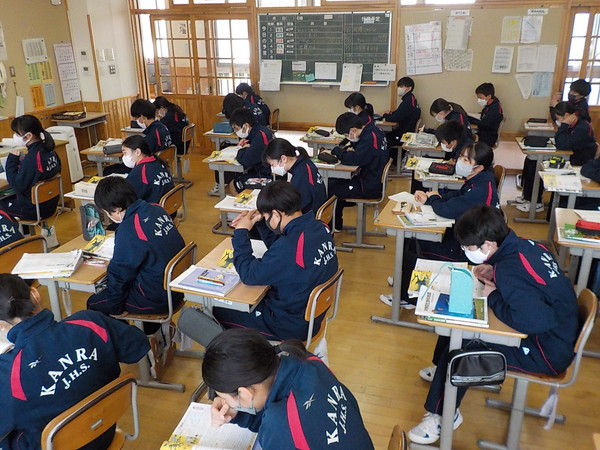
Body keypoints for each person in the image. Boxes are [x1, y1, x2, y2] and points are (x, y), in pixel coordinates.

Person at [408, 205, 578, 445]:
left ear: (487, 244)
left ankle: (442, 415)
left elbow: (534, 321)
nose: (465, 251)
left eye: (468, 248)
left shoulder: (509, 270)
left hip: (546, 352)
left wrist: (494, 297)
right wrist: (494, 270)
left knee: (462, 351)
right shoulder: (527, 246)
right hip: (557, 332)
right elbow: (532, 289)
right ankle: (443, 377)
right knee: (456, 329)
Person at [0, 273, 150, 450]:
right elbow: (137, 345)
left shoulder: (8, 372)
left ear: (1, 325)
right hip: (104, 431)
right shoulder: (89, 322)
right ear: (35, 294)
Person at [202, 328, 374, 450]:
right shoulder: (307, 361)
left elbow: (285, 426)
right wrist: (237, 414)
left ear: (245, 393)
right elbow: (290, 422)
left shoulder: (278, 423)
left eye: (228, 399)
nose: (227, 403)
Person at [210, 181, 338, 341]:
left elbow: (248, 275)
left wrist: (241, 232)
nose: (266, 220)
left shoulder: (289, 246)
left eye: (266, 217)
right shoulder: (319, 226)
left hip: (288, 325)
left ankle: (237, 354)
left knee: (216, 310)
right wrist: (262, 223)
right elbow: (279, 252)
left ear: (276, 214)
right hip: (310, 315)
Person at [381, 142, 499, 307]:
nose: (460, 161)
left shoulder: (480, 190)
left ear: (479, 167)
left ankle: (408, 298)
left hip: (469, 249)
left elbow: (447, 210)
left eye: (466, 160)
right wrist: (435, 195)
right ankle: (404, 279)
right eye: (461, 157)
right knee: (412, 239)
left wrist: (434, 199)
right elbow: (458, 196)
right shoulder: (480, 180)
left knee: (415, 244)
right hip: (467, 236)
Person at [87, 177, 185, 322]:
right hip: (176, 288)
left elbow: (119, 274)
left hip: (156, 299)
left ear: (117, 209)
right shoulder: (156, 208)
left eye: (107, 212)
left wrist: (116, 308)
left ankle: (124, 335)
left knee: (95, 303)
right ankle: (152, 330)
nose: (108, 215)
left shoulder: (129, 228)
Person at [515, 101, 597, 213]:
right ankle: (528, 197)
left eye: (559, 118)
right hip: (569, 156)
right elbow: (561, 141)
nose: (558, 121)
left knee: (536, 164)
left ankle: (536, 203)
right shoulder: (574, 124)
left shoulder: (582, 128)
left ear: (567, 116)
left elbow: (562, 144)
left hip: (577, 161)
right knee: (530, 160)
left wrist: (564, 125)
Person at [327, 112, 389, 230]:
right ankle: (337, 223)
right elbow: (362, 154)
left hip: (368, 186)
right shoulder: (375, 131)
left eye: (346, 135)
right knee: (335, 181)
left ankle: (333, 226)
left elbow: (354, 159)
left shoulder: (368, 139)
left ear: (353, 130)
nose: (347, 137)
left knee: (330, 187)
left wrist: (338, 151)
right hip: (373, 179)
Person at [1, 115, 61, 221]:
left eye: (17, 134)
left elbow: (17, 187)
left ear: (28, 136)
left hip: (34, 210)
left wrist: (11, 161)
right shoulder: (49, 150)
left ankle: (17, 231)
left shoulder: (33, 158)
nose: (14, 136)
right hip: (50, 203)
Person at [263, 138, 327, 214]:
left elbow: (295, 207)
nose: (272, 169)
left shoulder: (301, 176)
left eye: (272, 165)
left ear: (283, 159)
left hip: (309, 216)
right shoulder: (304, 162)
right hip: (314, 210)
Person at [229, 108, 274, 193]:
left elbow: (245, 160)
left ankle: (244, 202)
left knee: (234, 184)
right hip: (269, 171)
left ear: (245, 125)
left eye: (236, 128)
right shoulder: (260, 130)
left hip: (267, 175)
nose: (235, 132)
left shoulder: (259, 137)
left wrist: (242, 149)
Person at [122, 135, 174, 204]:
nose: (124, 157)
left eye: (125, 153)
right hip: (169, 205)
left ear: (137, 152)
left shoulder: (139, 171)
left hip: (153, 209)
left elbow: (129, 197)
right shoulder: (158, 162)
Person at [381, 76, 421, 149]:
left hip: (404, 136)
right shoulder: (411, 99)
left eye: (402, 86)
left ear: (409, 88)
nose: (399, 88)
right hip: (406, 132)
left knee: (381, 138)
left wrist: (385, 115)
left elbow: (395, 118)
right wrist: (391, 113)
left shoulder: (407, 102)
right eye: (399, 86)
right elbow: (399, 113)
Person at [469, 82, 504, 148]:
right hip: (485, 133)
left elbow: (483, 123)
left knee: (464, 137)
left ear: (489, 96)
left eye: (480, 98)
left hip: (487, 138)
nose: (479, 100)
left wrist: (468, 118)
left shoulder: (494, 108)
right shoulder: (492, 103)